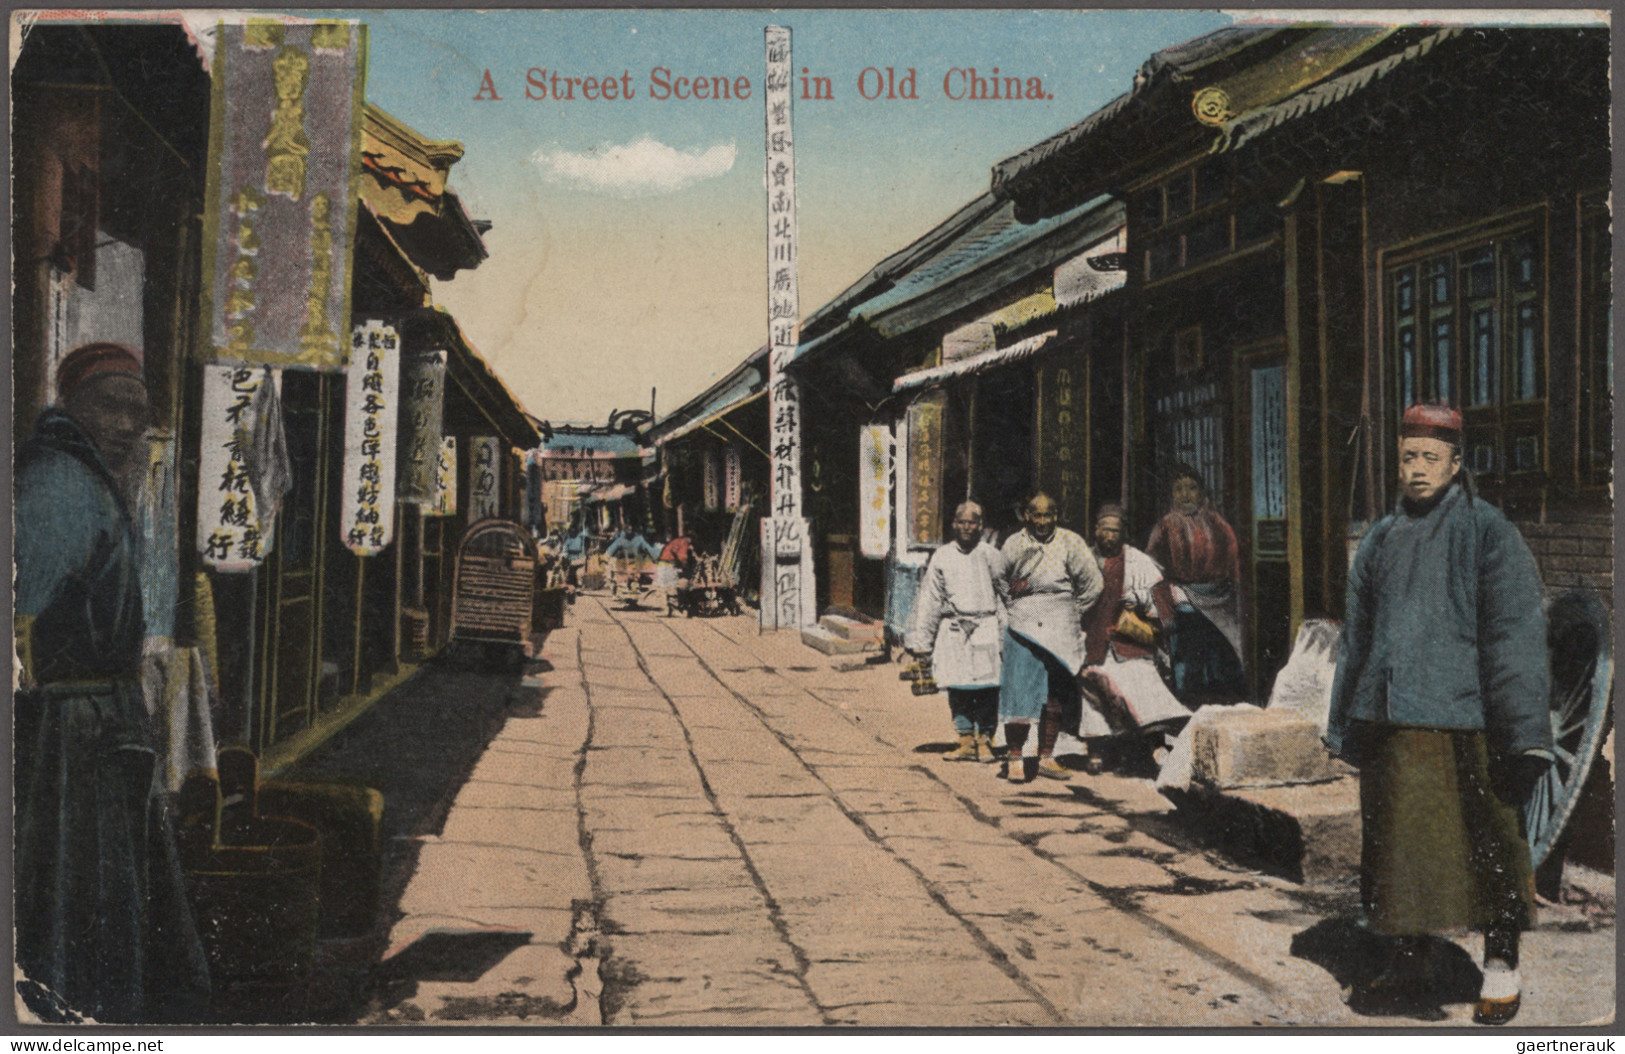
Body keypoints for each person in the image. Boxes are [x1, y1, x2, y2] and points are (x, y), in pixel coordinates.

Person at [1324, 403, 1550, 1025]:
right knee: (1401, 851)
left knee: (1493, 844)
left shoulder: (1488, 531)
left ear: (1456, 463)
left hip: (1472, 720)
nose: (1417, 469)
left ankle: (1502, 963)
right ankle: (1409, 959)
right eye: (1407, 458)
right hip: (1397, 718)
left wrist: (1525, 730)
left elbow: (1514, 636)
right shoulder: (1381, 537)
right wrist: (1346, 722)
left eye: (1430, 458)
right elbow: (1358, 637)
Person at [14, 343, 210, 1022]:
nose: (129, 424)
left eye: (139, 411)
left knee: (102, 893)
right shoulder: (58, 485)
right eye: (111, 406)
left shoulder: (88, 477)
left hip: (97, 721)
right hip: (69, 729)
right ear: (71, 407)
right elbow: (23, 617)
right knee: (75, 896)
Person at [1077, 504, 1192, 773]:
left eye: (1115, 531)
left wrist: (1140, 603)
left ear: (1123, 534)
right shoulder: (1082, 558)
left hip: (1128, 640)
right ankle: (1097, 750)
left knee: (1142, 687)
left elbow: (1163, 599)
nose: (1110, 536)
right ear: (1095, 530)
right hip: (1092, 640)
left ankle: (1153, 745)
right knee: (1093, 692)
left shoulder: (1138, 561)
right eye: (1104, 530)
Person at [998, 492, 1103, 783]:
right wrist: (1013, 610)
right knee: (1020, 689)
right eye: (1037, 514)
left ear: (1056, 515)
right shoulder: (1014, 544)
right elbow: (1000, 580)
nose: (1042, 521)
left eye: (1048, 514)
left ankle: (1046, 755)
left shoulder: (1071, 542)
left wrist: (1072, 611)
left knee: (1053, 692)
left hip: (1060, 622)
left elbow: (1093, 583)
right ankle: (1015, 757)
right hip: (1023, 621)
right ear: (1026, 516)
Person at [905, 502, 1009, 763]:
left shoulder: (991, 555)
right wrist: (922, 642)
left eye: (972, 521)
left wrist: (1005, 635)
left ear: (980, 525)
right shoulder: (942, 556)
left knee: (986, 689)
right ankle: (964, 740)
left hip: (984, 627)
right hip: (952, 629)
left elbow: (1005, 596)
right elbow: (929, 600)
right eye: (961, 521)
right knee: (958, 688)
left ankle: (985, 740)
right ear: (953, 524)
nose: (966, 526)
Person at [1145, 465, 1247, 702]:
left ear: (1201, 492)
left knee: (1221, 659)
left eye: (1191, 488)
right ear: (1171, 494)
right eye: (1179, 489)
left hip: (1221, 600)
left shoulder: (1217, 524)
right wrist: (1164, 605)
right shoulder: (1165, 526)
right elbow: (1151, 569)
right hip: (1181, 598)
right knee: (1187, 660)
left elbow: (1234, 563)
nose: (1186, 495)